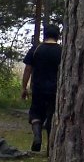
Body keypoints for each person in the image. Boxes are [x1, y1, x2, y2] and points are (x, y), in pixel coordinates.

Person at [21, 24, 62, 153]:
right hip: (56, 89)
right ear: (58, 36)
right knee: (51, 115)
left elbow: (28, 68)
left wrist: (24, 87)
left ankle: (37, 136)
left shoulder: (36, 49)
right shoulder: (62, 50)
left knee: (35, 113)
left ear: (45, 35)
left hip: (38, 88)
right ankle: (50, 148)